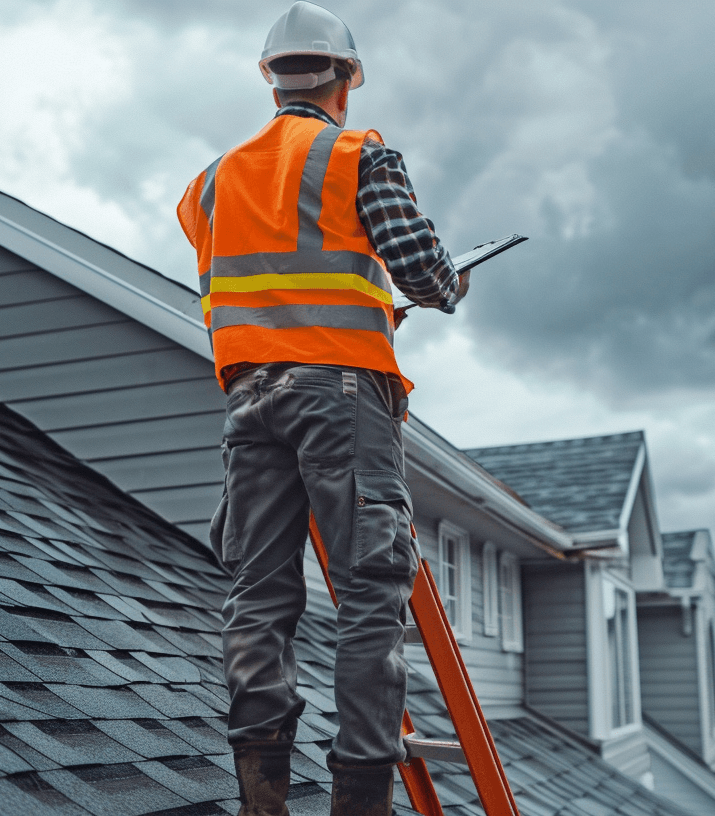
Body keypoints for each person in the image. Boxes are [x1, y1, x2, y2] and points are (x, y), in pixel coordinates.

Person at [176, 3, 467, 814]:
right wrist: (449, 283)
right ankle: (361, 800)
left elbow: (271, 280)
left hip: (249, 404)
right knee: (372, 588)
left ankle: (262, 798)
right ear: (346, 81)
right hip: (341, 396)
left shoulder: (209, 182)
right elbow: (420, 269)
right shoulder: (356, 153)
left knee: (259, 595)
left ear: (271, 80)